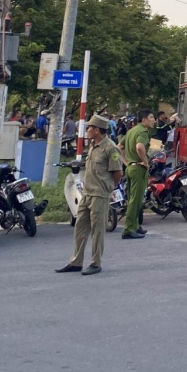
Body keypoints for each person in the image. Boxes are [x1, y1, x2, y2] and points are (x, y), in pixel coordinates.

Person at [56, 114, 123, 276]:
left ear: (98, 130)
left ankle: (95, 262)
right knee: (80, 227)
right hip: (87, 192)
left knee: (97, 230)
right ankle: (76, 261)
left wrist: (110, 188)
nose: (87, 130)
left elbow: (118, 172)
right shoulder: (94, 145)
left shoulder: (110, 148)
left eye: (90, 128)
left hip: (100, 194)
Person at [120, 108, 155, 239]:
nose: (154, 120)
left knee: (133, 199)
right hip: (138, 169)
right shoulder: (143, 131)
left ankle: (135, 226)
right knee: (136, 200)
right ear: (144, 119)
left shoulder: (131, 131)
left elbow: (119, 147)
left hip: (130, 168)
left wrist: (126, 162)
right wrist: (145, 162)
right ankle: (128, 229)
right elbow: (140, 147)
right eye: (151, 117)